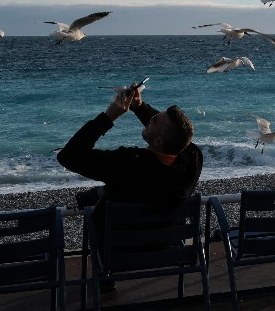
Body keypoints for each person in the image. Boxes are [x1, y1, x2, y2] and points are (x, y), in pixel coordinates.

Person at [56, 84, 203, 288]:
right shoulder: (193, 161)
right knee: (103, 196)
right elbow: (181, 142)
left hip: (120, 251)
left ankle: (105, 281)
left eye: (153, 120)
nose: (150, 119)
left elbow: (68, 156)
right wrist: (139, 107)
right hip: (165, 246)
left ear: (159, 141)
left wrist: (109, 116)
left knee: (99, 203)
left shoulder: (128, 164)